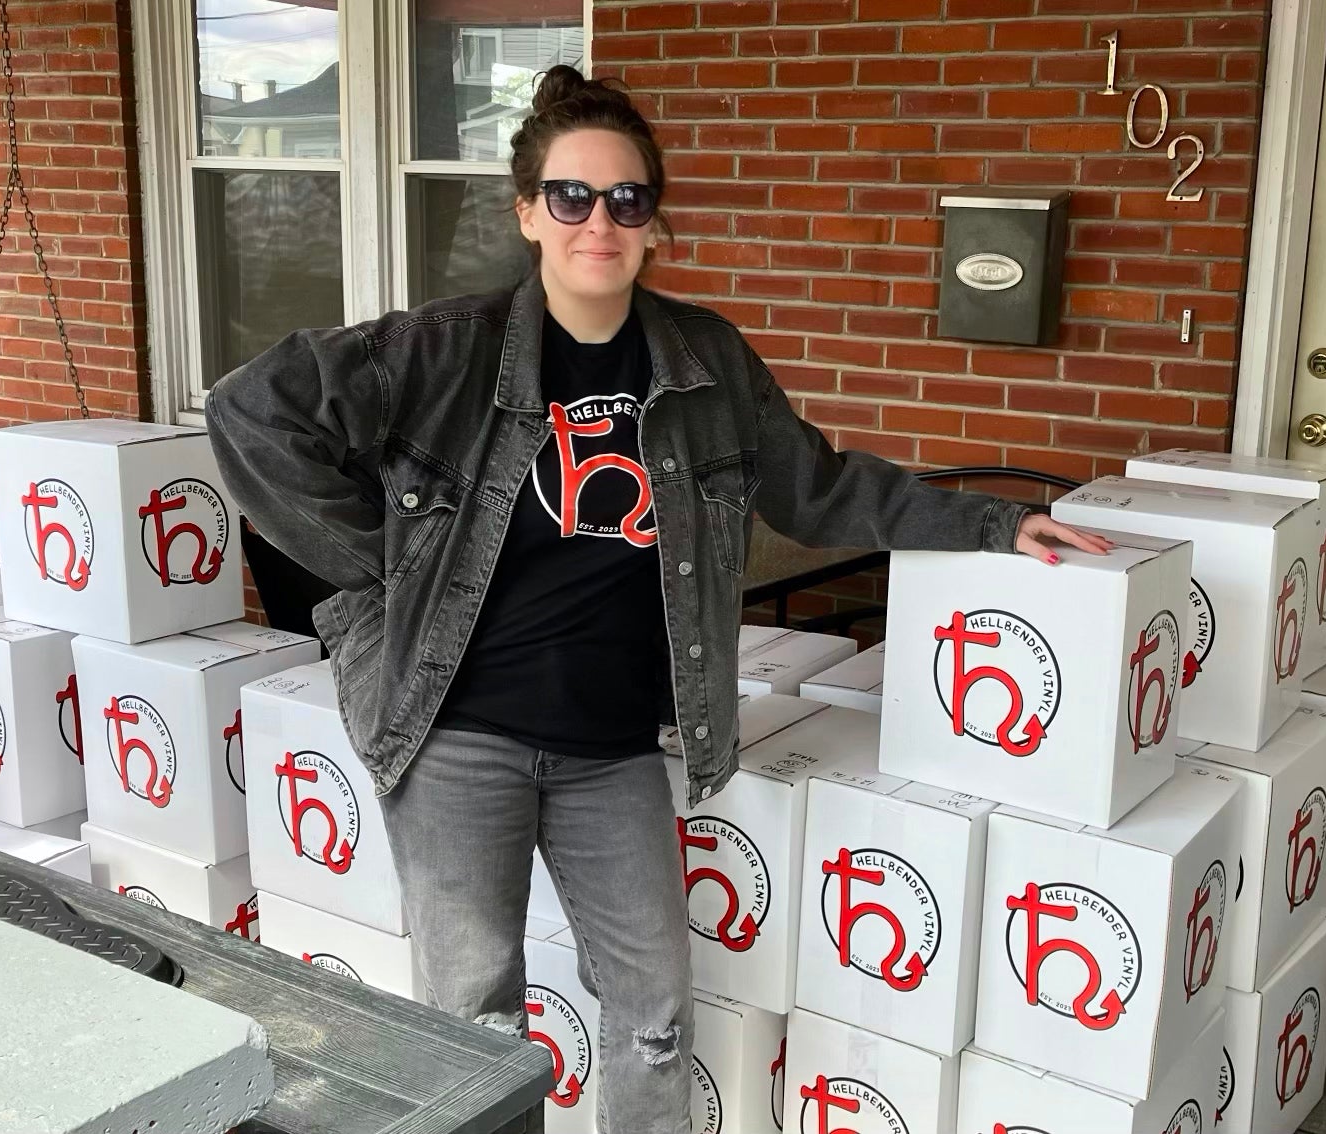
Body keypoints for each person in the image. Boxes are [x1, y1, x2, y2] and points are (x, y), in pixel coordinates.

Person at [204, 64, 1110, 1133]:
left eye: (627, 199)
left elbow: (817, 485)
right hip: (457, 734)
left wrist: (994, 523)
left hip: (612, 749)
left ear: (654, 221)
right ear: (529, 213)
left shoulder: (705, 360)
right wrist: (388, 566)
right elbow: (251, 412)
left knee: (653, 1015)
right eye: (573, 197)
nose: (601, 221)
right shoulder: (446, 349)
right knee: (475, 1021)